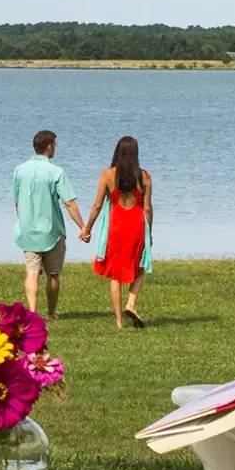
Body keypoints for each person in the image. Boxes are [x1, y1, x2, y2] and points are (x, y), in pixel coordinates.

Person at [10, 129, 88, 318]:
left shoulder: (20, 170)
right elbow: (69, 202)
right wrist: (82, 227)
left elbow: (17, 201)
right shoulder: (56, 171)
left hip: (27, 230)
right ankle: (51, 313)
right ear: (50, 147)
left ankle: (33, 312)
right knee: (54, 274)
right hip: (52, 231)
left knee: (32, 272)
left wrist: (23, 220)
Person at [85, 134, 154, 329]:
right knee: (139, 267)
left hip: (116, 226)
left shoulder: (107, 175)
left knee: (116, 274)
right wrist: (149, 233)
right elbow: (147, 209)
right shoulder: (145, 177)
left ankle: (119, 322)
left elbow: (97, 205)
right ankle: (131, 303)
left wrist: (87, 229)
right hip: (137, 226)